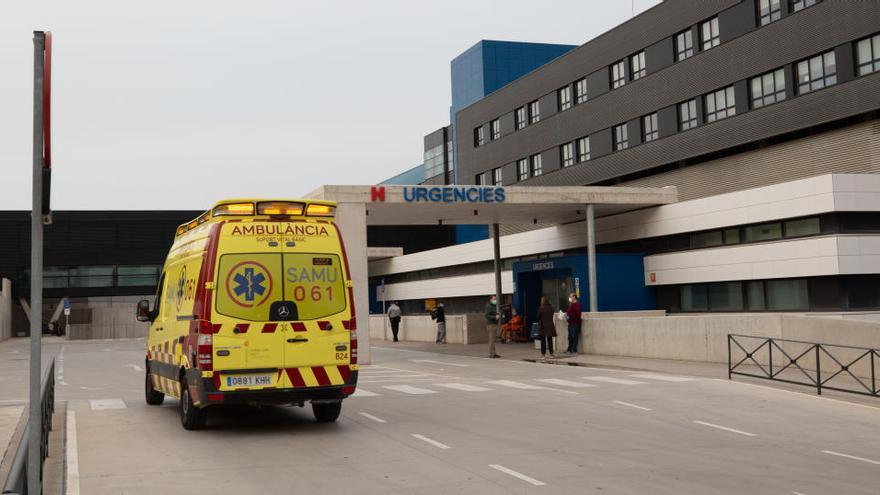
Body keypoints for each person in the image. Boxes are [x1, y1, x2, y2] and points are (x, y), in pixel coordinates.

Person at [537, 296, 556, 361]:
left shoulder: (541, 308)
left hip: (543, 326)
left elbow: (538, 317)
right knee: (550, 340)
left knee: (543, 341)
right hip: (550, 326)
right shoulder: (551, 308)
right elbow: (552, 314)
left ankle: (543, 355)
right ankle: (551, 354)